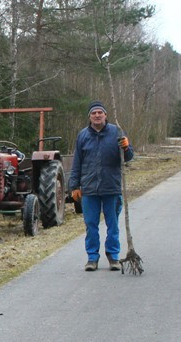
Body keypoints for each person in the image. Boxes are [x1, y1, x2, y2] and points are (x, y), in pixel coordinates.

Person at [67, 101, 133, 271]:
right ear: (89, 117)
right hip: (89, 188)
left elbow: (128, 157)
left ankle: (113, 257)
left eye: (100, 112)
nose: (97, 115)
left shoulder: (116, 132)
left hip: (111, 186)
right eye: (94, 113)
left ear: (105, 115)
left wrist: (126, 147)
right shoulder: (83, 136)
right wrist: (74, 186)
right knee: (91, 225)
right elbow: (77, 163)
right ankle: (92, 259)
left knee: (112, 224)